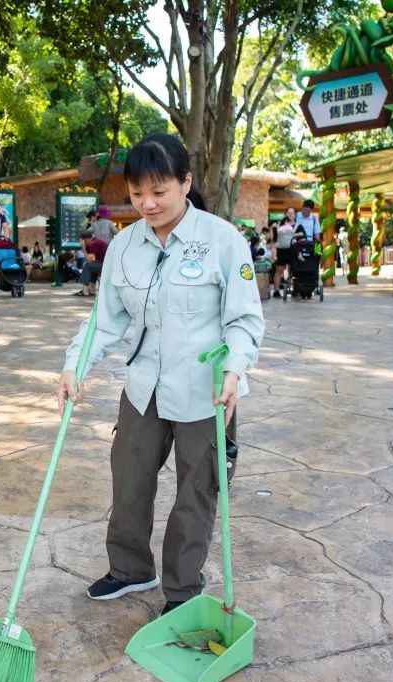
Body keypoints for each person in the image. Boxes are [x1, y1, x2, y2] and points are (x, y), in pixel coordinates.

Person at [57, 133, 264, 615]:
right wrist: (75, 366)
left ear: (186, 183)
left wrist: (234, 369)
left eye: (159, 192)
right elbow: (105, 320)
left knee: (197, 491)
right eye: (135, 194)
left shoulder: (222, 240)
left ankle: (181, 590)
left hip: (206, 391)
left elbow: (244, 319)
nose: (147, 204)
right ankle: (131, 570)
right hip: (144, 386)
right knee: (129, 481)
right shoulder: (125, 246)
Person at [73, 230, 109, 297]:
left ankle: (85, 291)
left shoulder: (95, 243)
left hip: (107, 266)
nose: (81, 243)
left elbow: (89, 260)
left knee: (88, 266)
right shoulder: (92, 243)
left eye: (81, 241)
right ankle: (92, 290)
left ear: (85, 239)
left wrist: (83, 249)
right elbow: (91, 260)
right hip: (104, 264)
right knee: (91, 266)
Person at [272, 208, 297, 298]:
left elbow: (303, 236)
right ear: (285, 214)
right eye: (288, 213)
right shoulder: (279, 225)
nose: (290, 214)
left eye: (292, 213)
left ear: (295, 215)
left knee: (295, 271)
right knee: (279, 270)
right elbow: (274, 239)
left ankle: (296, 289)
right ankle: (276, 291)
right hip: (281, 251)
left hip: (293, 251)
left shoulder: (298, 225)